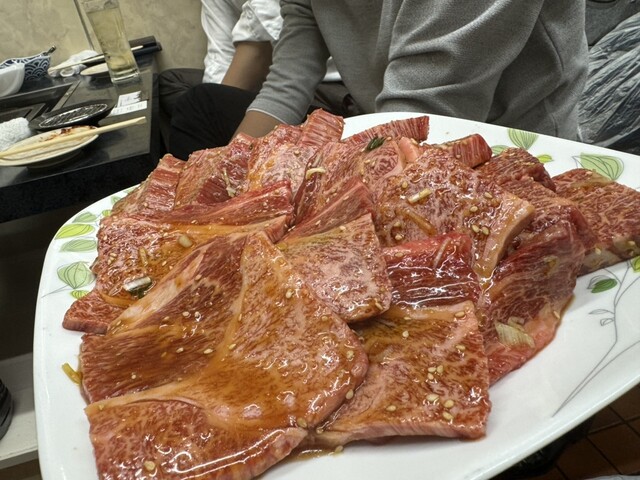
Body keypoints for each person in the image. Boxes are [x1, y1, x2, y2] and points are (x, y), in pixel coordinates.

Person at [170, 0, 589, 159]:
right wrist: (232, 174)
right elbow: (287, 80)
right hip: (392, 123)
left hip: (512, 149)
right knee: (203, 107)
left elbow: (423, 109)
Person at [163, 0, 355, 159]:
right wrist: (228, 168)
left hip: (339, 84)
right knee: (174, 84)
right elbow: (221, 55)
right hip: (294, 77)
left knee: (201, 103)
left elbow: (258, 48)